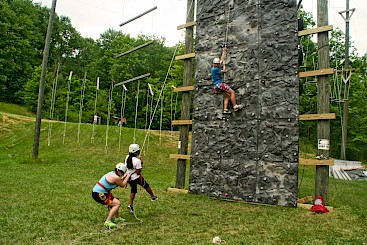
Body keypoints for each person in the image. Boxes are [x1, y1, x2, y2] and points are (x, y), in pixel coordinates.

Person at [92, 163, 131, 228]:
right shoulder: (115, 177)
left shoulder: (112, 173)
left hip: (99, 192)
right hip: (99, 194)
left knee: (116, 200)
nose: (122, 174)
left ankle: (117, 218)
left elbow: (119, 181)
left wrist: (124, 177)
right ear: (119, 171)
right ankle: (107, 221)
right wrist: (127, 177)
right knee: (117, 204)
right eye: (122, 173)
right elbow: (122, 185)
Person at [125, 143, 157, 215]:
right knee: (146, 185)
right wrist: (141, 162)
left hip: (129, 178)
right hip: (136, 178)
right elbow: (138, 172)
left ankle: (130, 205)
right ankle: (152, 196)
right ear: (136, 152)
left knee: (133, 190)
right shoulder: (137, 161)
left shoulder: (127, 157)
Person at [212, 47, 243, 114]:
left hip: (217, 85)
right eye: (216, 64)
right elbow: (224, 71)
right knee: (232, 92)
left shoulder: (215, 67)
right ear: (214, 64)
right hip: (220, 84)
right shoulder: (215, 69)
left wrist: (224, 51)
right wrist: (224, 65)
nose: (217, 64)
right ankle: (235, 106)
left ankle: (225, 109)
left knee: (228, 96)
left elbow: (222, 59)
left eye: (217, 63)